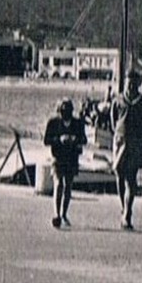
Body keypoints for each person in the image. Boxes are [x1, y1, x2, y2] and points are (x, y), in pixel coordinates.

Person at [111, 72, 142, 229]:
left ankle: (127, 214)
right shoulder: (118, 100)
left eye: (133, 84)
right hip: (120, 142)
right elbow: (113, 121)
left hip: (135, 143)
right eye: (128, 84)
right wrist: (118, 136)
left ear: (138, 85)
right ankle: (124, 206)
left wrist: (139, 138)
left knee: (131, 179)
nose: (131, 87)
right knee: (118, 174)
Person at [43, 98, 86, 229]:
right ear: (59, 111)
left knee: (68, 186)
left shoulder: (77, 124)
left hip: (72, 158)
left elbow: (84, 139)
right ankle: (56, 214)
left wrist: (74, 139)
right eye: (62, 111)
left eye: (67, 111)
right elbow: (46, 140)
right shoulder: (53, 123)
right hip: (58, 157)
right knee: (58, 184)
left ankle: (64, 214)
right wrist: (59, 140)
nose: (64, 114)